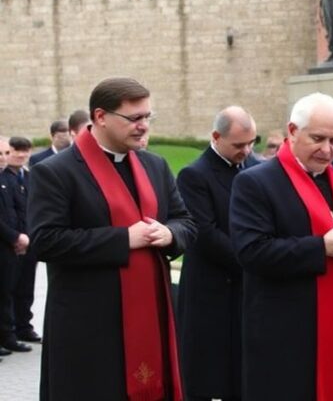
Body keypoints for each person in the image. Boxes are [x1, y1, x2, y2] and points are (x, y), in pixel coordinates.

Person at [28, 77, 196, 400]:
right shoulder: (56, 171)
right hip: (90, 323)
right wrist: (123, 239)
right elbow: (45, 241)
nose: (143, 126)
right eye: (134, 118)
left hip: (152, 313)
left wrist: (169, 233)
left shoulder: (154, 165)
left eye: (147, 116)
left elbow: (185, 221)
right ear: (101, 116)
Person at [230, 92, 333, 401]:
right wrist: (321, 248)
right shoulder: (256, 182)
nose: (328, 150)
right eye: (318, 139)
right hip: (286, 335)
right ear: (293, 131)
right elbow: (251, 252)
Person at [176, 106, 261, 401]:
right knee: (210, 372)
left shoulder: (254, 168)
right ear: (216, 136)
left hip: (247, 287)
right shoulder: (194, 175)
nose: (246, 151)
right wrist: (255, 258)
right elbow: (205, 234)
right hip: (212, 289)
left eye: (251, 143)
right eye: (238, 145)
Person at [3, 136, 40, 347]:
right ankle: (8, 333)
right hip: (9, 243)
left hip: (30, 241)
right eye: (16, 150)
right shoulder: (3, 179)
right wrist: (14, 237)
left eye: (25, 150)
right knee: (8, 290)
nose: (21, 155)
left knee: (26, 287)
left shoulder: (31, 177)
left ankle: (24, 327)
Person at [0, 136, 31, 357]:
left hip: (11, 244)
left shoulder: (8, 180)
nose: (3, 158)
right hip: (7, 241)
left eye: (5, 153)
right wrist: (14, 237)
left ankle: (10, 335)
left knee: (10, 292)